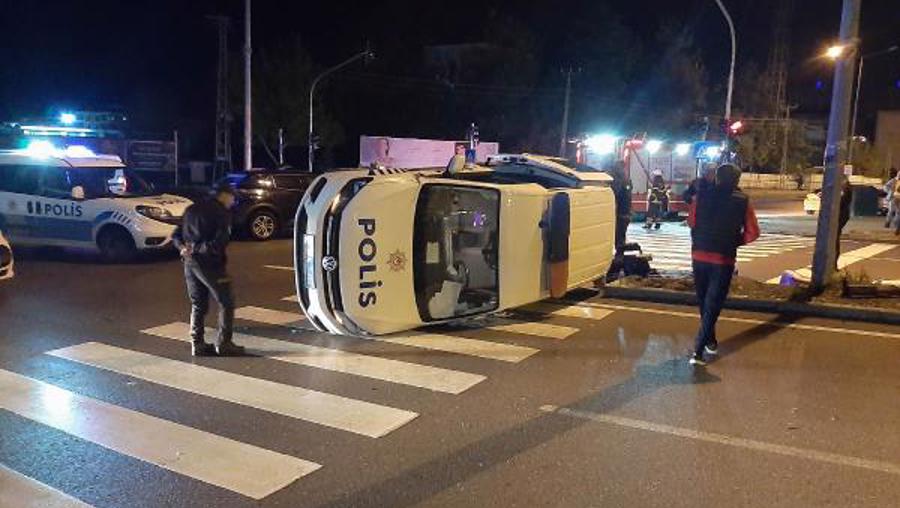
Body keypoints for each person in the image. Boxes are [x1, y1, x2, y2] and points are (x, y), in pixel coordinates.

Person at [687, 163, 760, 366]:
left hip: (699, 256)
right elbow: (753, 232)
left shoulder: (701, 196)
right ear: (737, 180)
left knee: (704, 301)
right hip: (723, 259)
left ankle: (709, 339)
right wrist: (734, 240)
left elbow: (691, 222)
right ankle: (699, 350)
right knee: (713, 304)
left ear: (717, 178)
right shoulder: (743, 201)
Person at [172, 183, 245, 357]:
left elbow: (176, 234)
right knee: (226, 301)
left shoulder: (192, 208)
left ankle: (197, 344)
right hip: (209, 263)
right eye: (232, 197)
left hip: (189, 262)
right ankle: (224, 343)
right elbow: (219, 242)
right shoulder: (221, 213)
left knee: (198, 303)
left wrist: (183, 247)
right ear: (224, 196)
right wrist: (199, 249)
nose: (233, 201)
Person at [609, 160, 632, 255]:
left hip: (618, 214)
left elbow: (616, 195)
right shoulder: (626, 181)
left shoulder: (616, 181)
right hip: (624, 214)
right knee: (620, 237)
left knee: (618, 237)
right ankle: (619, 255)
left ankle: (618, 257)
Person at [836, 176, 853, 267]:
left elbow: (842, 202)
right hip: (841, 215)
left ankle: (833, 263)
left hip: (840, 215)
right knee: (835, 238)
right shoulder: (843, 189)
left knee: (835, 238)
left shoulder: (846, 190)